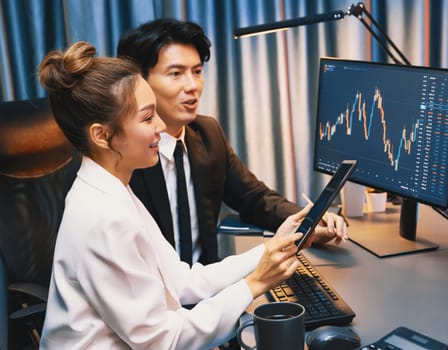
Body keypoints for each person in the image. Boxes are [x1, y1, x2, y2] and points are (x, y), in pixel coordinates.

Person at [38, 41, 311, 349]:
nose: (160, 126)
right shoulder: (103, 217)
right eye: (147, 117)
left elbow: (182, 281)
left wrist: (270, 249)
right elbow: (162, 341)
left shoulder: (113, 189)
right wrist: (256, 283)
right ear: (102, 135)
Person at [117, 18, 347, 265]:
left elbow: (254, 197)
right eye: (175, 74)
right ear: (138, 81)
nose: (192, 86)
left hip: (207, 288)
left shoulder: (206, 133)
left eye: (197, 71)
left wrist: (309, 222)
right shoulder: (122, 152)